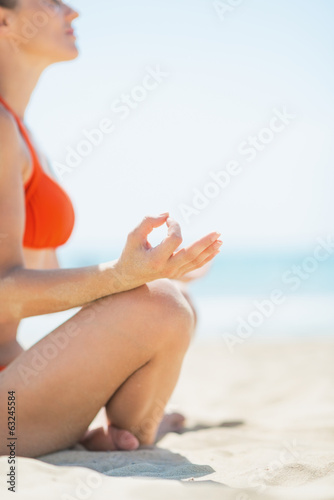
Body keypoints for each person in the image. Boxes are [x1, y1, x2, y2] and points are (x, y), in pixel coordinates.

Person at [0, 0, 222, 458]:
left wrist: (147, 271)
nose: (72, 12)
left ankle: (121, 435)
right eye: (51, 2)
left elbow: (39, 281)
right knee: (162, 305)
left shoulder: (20, 134)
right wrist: (121, 278)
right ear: (4, 19)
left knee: (169, 299)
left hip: (15, 374)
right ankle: (133, 435)